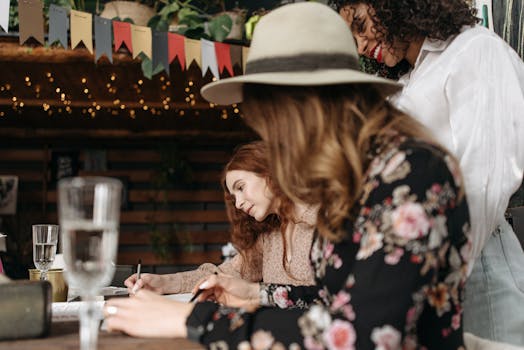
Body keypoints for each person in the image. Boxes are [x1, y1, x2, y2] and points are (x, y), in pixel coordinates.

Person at [104, 3, 471, 348]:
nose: (272, 142)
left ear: (303, 106)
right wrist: (257, 295)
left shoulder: (412, 173)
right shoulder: (358, 178)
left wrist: (193, 319)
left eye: (271, 123)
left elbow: (363, 336)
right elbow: (341, 302)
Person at [330, 0, 524, 344]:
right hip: (416, 267)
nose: (360, 45)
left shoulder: (476, 50)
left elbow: (488, 179)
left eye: (360, 24)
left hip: (473, 262)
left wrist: (440, 276)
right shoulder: (407, 79)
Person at [125, 141, 316, 296]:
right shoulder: (269, 237)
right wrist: (163, 283)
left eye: (240, 188)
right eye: (234, 198)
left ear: (270, 172)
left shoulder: (328, 222)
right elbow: (221, 274)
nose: (239, 203)